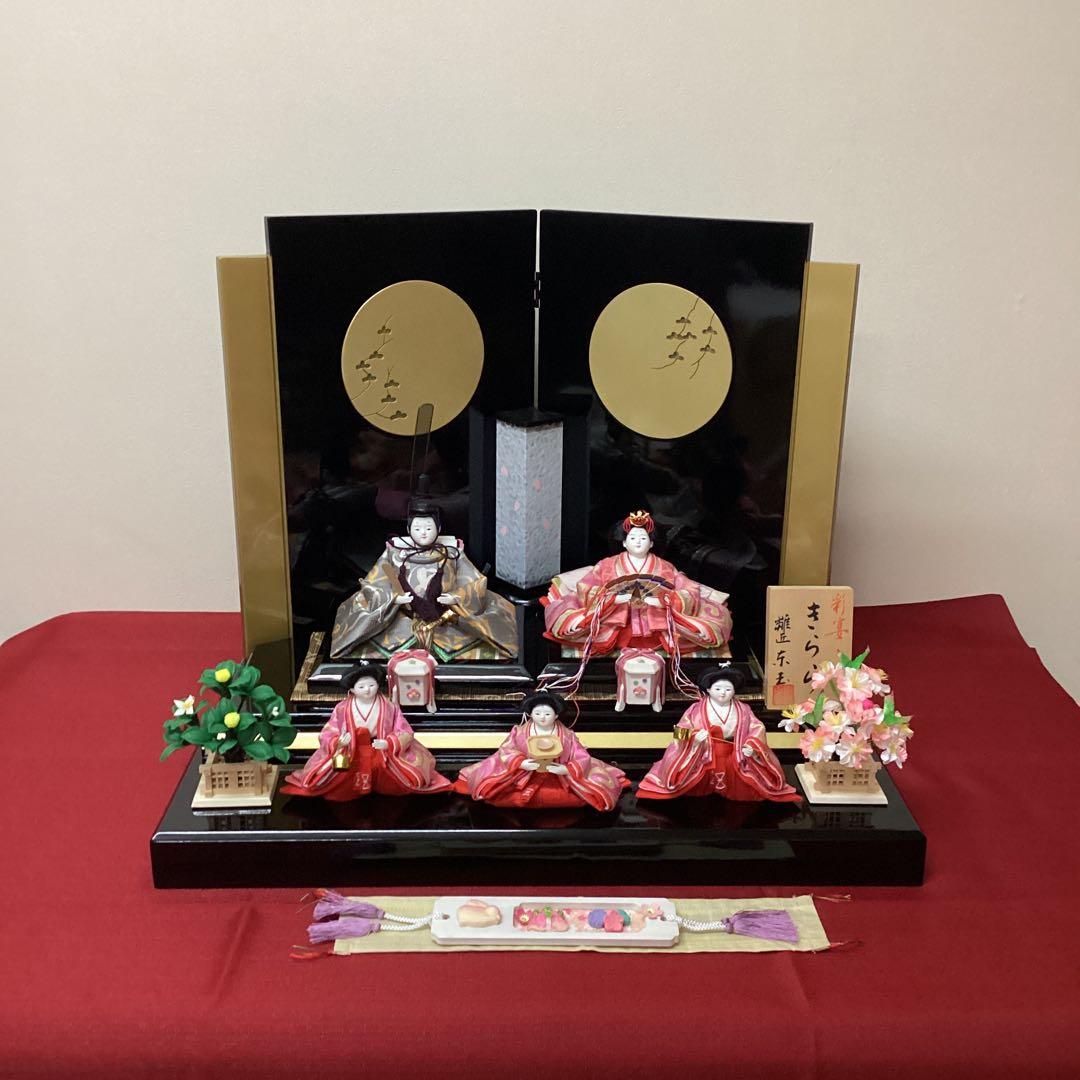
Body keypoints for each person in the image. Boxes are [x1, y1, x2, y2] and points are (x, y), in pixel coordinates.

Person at [329, 487, 518, 661]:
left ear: (439, 529)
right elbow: (378, 581)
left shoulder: (452, 552)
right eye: (417, 529)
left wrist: (456, 597)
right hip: (402, 617)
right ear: (409, 529)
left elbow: (474, 581)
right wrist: (393, 598)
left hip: (446, 619)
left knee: (487, 632)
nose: (423, 533)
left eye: (428, 528)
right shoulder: (394, 553)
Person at [542, 509, 732, 657]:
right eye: (632, 538)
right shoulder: (607, 565)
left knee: (704, 629)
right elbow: (586, 587)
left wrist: (665, 600)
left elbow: (689, 589)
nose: (638, 542)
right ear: (624, 543)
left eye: (643, 538)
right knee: (573, 625)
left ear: (651, 543)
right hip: (616, 623)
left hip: (655, 625)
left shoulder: (665, 567)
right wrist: (613, 599)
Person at [281, 662, 451, 801]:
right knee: (338, 773)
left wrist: (389, 743)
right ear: (352, 690)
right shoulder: (342, 708)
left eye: (371, 685)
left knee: (398, 775)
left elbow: (404, 730)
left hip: (380, 749)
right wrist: (338, 742)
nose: (368, 689)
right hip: (351, 750)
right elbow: (328, 732)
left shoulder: (388, 706)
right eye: (361, 686)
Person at [637, 667, 800, 803]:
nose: (722, 693)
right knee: (692, 786)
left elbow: (757, 728)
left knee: (747, 786)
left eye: (728, 689)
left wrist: (751, 746)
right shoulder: (696, 709)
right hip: (703, 754)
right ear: (708, 690)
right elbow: (679, 731)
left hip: (734, 753)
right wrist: (694, 738)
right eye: (718, 689)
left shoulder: (743, 710)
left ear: (734, 691)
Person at [454, 691, 629, 811]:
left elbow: (581, 755)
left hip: (558, 776)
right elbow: (506, 750)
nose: (542, 718)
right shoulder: (520, 732)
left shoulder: (567, 735)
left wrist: (566, 768)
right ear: (531, 714)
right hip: (524, 776)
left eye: (547, 714)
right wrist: (521, 763)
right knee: (500, 794)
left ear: (556, 715)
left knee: (571, 798)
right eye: (538, 714)